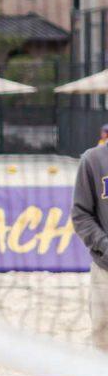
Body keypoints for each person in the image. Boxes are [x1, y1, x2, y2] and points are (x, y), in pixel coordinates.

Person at [72, 127, 108, 352]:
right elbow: (80, 214)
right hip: (105, 269)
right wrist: (104, 244)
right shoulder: (93, 160)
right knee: (103, 339)